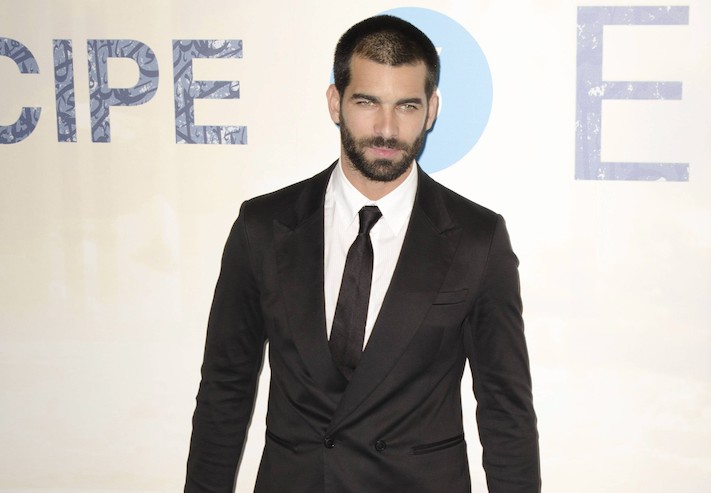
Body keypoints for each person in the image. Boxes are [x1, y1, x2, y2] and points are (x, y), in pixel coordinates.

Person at [184, 14, 540, 493]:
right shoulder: (263, 227)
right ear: (336, 102)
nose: (387, 128)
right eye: (367, 102)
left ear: (431, 110)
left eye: (407, 106)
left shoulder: (478, 239)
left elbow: (505, 410)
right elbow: (224, 389)